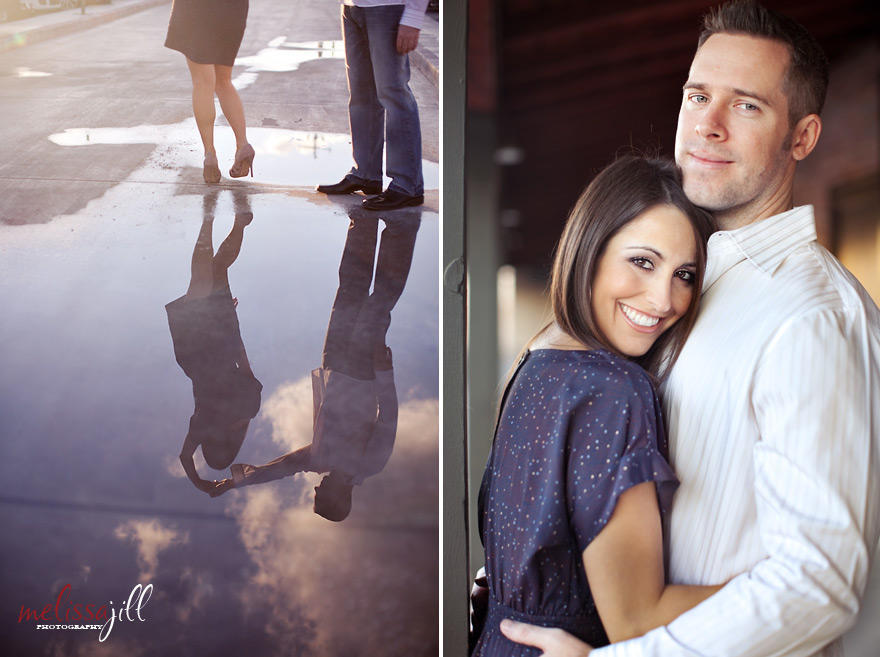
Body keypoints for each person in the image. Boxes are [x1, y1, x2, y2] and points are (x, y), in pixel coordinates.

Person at [501, 2, 880, 656]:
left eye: (747, 106)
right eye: (697, 95)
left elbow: (819, 583)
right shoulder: (686, 284)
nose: (706, 125)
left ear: (802, 138)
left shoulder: (810, 319)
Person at [472, 156, 716, 656]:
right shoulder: (614, 388)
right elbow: (636, 619)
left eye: (685, 274)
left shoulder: (537, 359)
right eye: (643, 262)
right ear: (591, 249)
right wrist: (787, 583)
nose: (663, 299)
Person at [214, 210, 422, 521]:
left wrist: (234, 483)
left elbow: (281, 468)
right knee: (379, 300)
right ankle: (401, 228)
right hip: (364, 370)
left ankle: (363, 221)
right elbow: (388, 416)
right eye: (319, 497)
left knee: (349, 290)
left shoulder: (319, 458)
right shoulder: (369, 465)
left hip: (333, 362)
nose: (315, 490)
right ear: (338, 498)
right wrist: (384, 371)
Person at [169, 190, 261, 496]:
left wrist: (231, 321)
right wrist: (202, 484)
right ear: (212, 443)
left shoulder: (249, 409)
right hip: (195, 351)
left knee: (215, 272)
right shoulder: (204, 425)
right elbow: (184, 458)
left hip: (222, 340)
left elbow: (243, 359)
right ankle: (208, 217)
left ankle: (238, 224)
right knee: (201, 276)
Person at [316, 0, 428, 211]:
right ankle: (365, 174)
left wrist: (414, 15)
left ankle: (407, 186)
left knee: (394, 95)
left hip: (388, 8)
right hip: (352, 8)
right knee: (361, 96)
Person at [165, 0, 255, 183]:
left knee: (202, 82)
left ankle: (210, 152)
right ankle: (243, 144)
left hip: (197, 9)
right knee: (224, 81)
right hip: (232, 10)